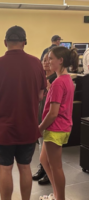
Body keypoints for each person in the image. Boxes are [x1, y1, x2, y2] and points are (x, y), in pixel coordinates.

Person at [0, 26, 46, 200]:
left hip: (2, 128)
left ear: (5, 43)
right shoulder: (36, 63)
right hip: (28, 126)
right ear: (25, 42)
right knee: (25, 166)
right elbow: (40, 95)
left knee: (5, 167)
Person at [39, 46, 78, 200]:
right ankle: (56, 195)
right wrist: (49, 89)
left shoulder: (58, 83)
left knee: (56, 167)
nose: (48, 61)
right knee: (43, 160)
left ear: (60, 61)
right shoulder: (65, 79)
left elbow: (53, 113)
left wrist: (40, 128)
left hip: (55, 128)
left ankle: (59, 198)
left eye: (51, 58)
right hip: (61, 127)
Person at [32, 53, 57, 185]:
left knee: (48, 148)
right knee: (41, 145)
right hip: (39, 113)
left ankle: (48, 172)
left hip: (49, 117)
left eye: (49, 60)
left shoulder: (55, 80)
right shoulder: (42, 78)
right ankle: (42, 168)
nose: (46, 62)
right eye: (44, 60)